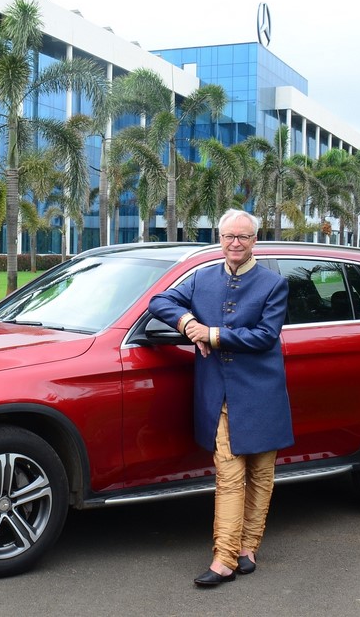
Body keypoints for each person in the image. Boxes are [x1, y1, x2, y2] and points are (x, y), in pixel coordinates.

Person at [148, 209, 294, 588]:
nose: (235, 243)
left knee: (261, 473)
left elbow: (264, 336)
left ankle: (248, 547)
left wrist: (210, 335)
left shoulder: (273, 284)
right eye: (229, 236)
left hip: (262, 392)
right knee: (229, 474)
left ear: (254, 241)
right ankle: (225, 557)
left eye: (243, 237)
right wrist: (187, 324)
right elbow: (159, 302)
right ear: (219, 237)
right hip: (220, 395)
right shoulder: (201, 278)